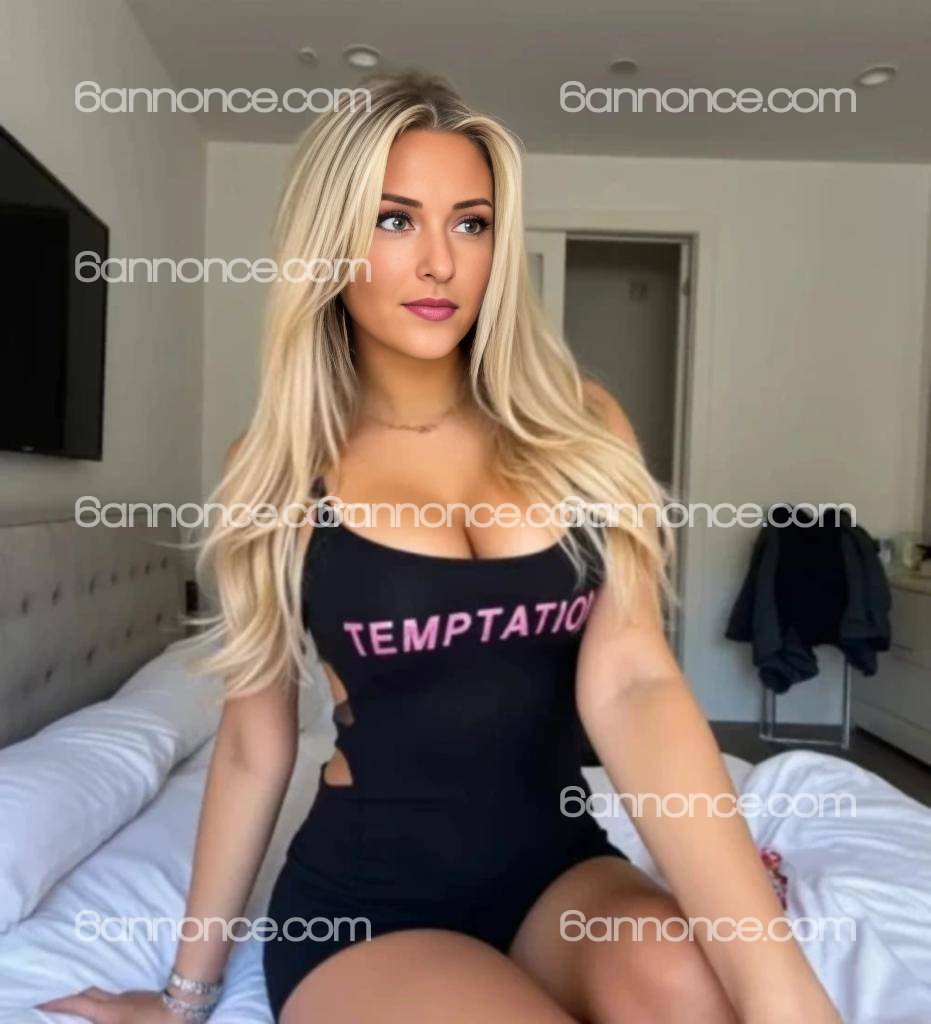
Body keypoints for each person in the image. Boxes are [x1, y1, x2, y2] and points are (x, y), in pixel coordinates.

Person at [38, 69, 841, 1024]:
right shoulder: (276, 466)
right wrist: (186, 995)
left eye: (470, 223)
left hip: (559, 870)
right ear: (331, 241)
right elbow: (254, 743)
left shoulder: (582, 424)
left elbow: (635, 682)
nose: (439, 263)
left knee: (708, 995)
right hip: (372, 905)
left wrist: (781, 985)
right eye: (393, 220)